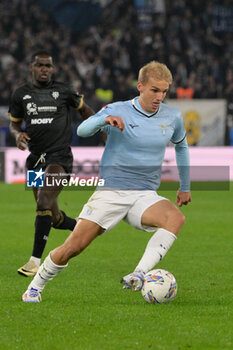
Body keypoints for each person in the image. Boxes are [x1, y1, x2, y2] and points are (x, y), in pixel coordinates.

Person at [22, 60, 191, 302]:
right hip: (111, 192)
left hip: (144, 194)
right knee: (74, 247)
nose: (160, 97)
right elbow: (83, 130)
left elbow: (182, 147)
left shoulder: (172, 116)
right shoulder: (119, 109)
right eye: (155, 90)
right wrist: (104, 119)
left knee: (175, 218)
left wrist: (184, 186)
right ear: (140, 86)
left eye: (164, 91)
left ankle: (140, 274)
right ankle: (35, 287)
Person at [9, 50, 95, 277]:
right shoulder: (21, 95)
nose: (44, 69)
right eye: (40, 65)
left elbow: (87, 112)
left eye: (48, 66)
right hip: (35, 159)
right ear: (32, 67)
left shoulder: (65, 91)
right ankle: (81, 227)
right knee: (53, 217)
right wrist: (17, 134)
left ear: (52, 68)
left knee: (43, 200)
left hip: (60, 158)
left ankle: (34, 262)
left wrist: (104, 128)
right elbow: (14, 124)